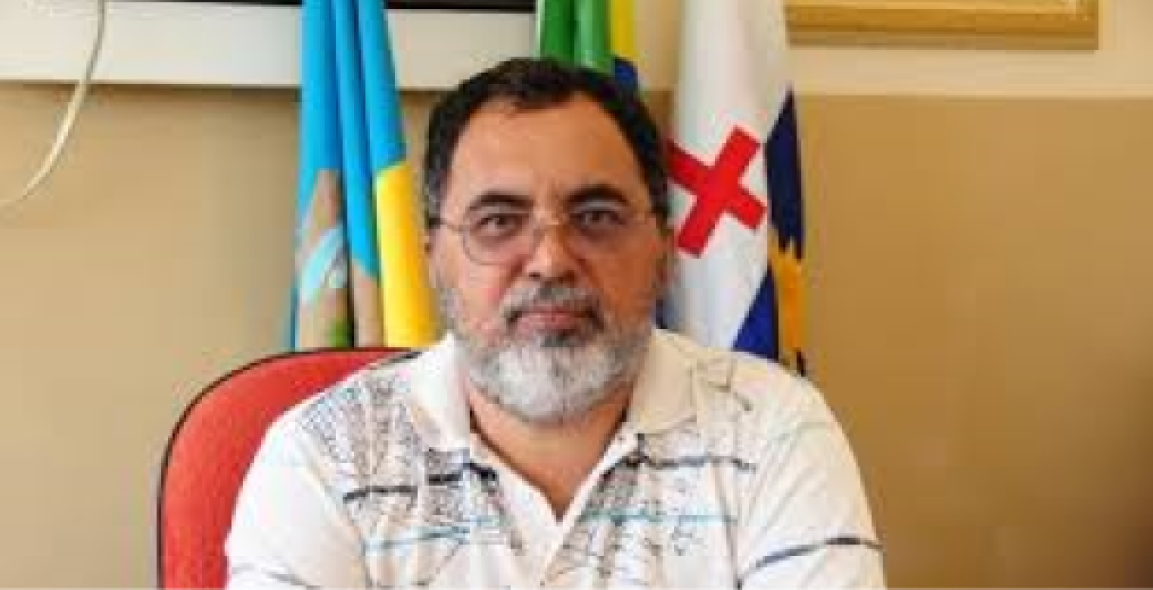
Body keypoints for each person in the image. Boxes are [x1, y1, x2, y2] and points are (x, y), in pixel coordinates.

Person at [226, 58, 883, 588]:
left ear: (663, 252)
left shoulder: (772, 429)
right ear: (433, 260)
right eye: (498, 221)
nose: (549, 261)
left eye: (595, 216)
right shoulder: (324, 456)